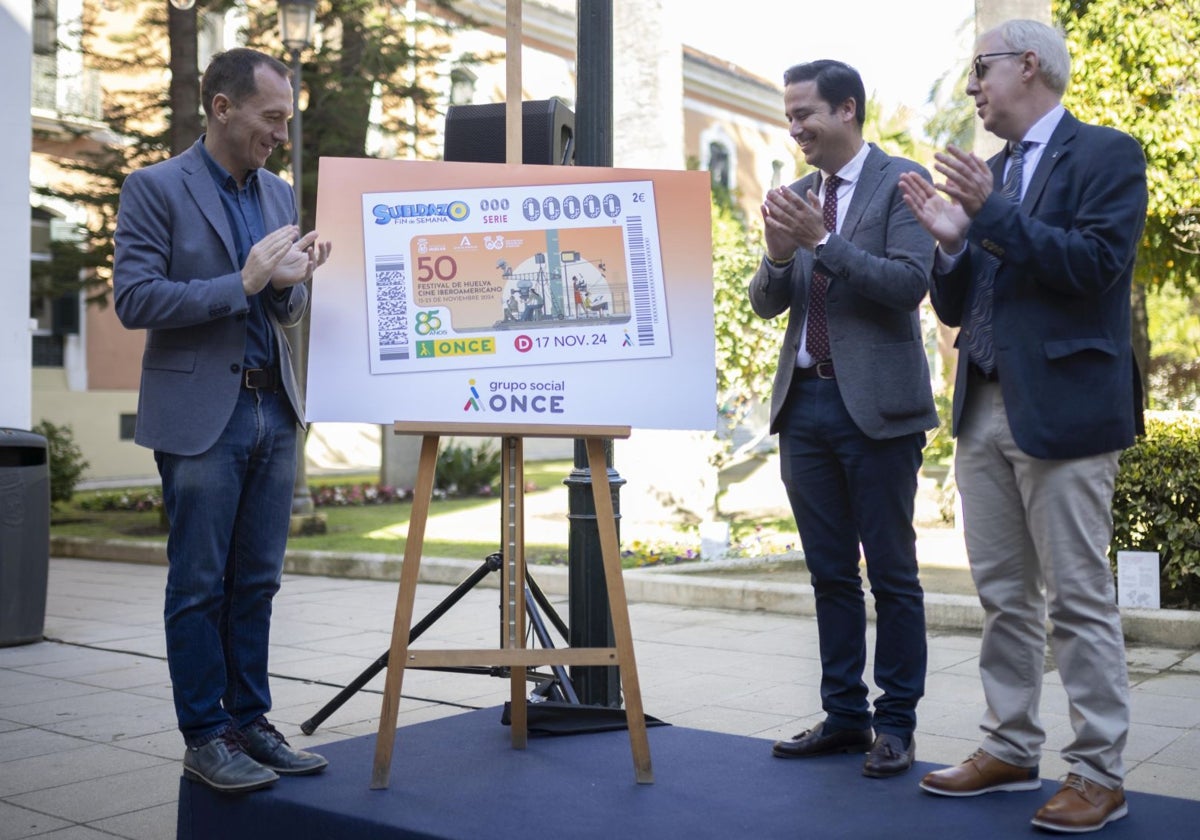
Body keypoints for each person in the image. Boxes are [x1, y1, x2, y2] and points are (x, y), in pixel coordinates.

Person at [897, 20, 1146, 833]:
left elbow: (1091, 266)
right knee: (1003, 596)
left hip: (1067, 410)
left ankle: (1099, 772)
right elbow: (961, 303)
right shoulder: (990, 176)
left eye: (980, 71)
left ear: (1027, 66)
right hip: (984, 404)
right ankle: (1008, 746)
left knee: (1077, 599)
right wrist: (948, 247)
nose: (972, 88)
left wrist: (991, 214)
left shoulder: (1108, 155)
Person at [113, 47, 333, 795]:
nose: (280, 133)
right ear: (221, 108)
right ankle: (205, 735)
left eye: (285, 120)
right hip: (203, 413)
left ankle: (251, 722)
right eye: (271, 118)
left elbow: (283, 308)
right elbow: (136, 300)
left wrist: (290, 288)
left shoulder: (277, 195)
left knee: (259, 582)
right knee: (201, 583)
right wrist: (242, 281)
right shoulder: (153, 188)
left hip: (273, 403)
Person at [749, 59, 937, 779]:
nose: (794, 128)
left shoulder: (902, 181)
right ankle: (844, 717)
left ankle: (896, 726)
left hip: (877, 411)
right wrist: (775, 255)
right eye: (789, 116)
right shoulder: (797, 196)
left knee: (892, 575)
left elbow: (907, 285)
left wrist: (823, 243)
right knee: (830, 573)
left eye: (805, 115)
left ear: (848, 109)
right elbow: (769, 303)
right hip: (804, 407)